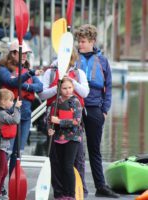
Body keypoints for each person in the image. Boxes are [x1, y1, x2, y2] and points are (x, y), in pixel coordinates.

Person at [74, 24, 119, 198]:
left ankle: (100, 187)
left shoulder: (103, 61)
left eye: (83, 41)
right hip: (74, 107)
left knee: (94, 150)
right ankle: (75, 185)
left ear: (92, 41)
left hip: (94, 109)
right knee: (74, 150)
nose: (80, 44)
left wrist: (105, 110)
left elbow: (108, 87)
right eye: (79, 41)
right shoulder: (72, 58)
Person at [38, 49, 89, 198]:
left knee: (75, 161)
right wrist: (58, 87)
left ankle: (76, 193)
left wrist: (70, 82)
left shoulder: (79, 73)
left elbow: (85, 93)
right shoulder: (50, 72)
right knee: (57, 161)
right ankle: (59, 192)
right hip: (56, 127)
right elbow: (42, 94)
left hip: (73, 132)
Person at [0, 40, 43, 183]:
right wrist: (29, 79)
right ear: (13, 53)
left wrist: (26, 87)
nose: (25, 56)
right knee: (6, 153)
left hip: (25, 116)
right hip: (8, 115)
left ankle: (13, 184)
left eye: (27, 54)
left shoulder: (27, 71)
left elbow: (39, 87)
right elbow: (12, 83)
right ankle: (0, 187)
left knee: (18, 153)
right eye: (23, 53)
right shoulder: (3, 69)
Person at [47, 77, 84, 200]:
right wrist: (49, 129)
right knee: (58, 166)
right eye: (64, 88)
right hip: (58, 138)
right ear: (59, 89)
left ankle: (70, 194)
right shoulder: (55, 103)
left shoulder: (76, 102)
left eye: (70, 88)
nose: (68, 91)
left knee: (68, 165)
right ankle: (60, 193)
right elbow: (48, 119)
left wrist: (59, 121)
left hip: (72, 138)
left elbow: (76, 121)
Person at [0, 89, 22, 200]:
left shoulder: (1, 112)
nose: (12, 103)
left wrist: (14, 107)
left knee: (4, 171)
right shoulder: (1, 114)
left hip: (2, 146)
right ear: (3, 101)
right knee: (0, 171)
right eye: (10, 100)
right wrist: (16, 108)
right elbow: (16, 120)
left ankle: (1, 191)